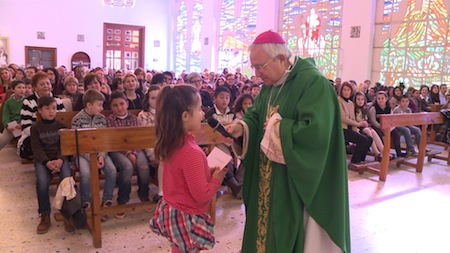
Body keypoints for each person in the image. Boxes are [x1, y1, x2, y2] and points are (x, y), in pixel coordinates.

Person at [225, 30, 350, 252]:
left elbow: (317, 134)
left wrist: (278, 128)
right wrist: (241, 128)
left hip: (293, 182)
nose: (256, 74)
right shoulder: (270, 85)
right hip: (268, 178)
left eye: (259, 67)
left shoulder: (313, 83)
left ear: (281, 58)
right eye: (253, 67)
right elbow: (256, 115)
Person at [150, 85, 227, 253]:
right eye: (199, 109)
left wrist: (206, 171)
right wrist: (217, 180)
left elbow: (182, 176)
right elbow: (201, 196)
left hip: (174, 210)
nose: (202, 113)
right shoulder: (190, 151)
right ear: (185, 116)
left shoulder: (172, 142)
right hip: (186, 215)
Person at [71, 90, 117, 221]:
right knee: (85, 173)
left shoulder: (102, 119)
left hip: (99, 152)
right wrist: (92, 158)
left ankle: (107, 200)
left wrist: (101, 156)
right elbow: (77, 144)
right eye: (99, 105)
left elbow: (104, 140)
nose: (102, 108)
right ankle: (86, 202)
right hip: (82, 154)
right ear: (89, 105)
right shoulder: (77, 119)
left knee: (112, 170)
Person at [31, 96, 73, 234]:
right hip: (43, 160)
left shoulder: (60, 126)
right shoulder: (35, 127)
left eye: (54, 108)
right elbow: (36, 149)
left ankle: (67, 214)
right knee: (42, 182)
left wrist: (60, 159)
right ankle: (44, 214)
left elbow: (65, 146)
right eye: (47, 108)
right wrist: (47, 163)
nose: (51, 111)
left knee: (66, 180)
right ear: (40, 110)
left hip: (60, 159)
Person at [107, 91, 149, 217]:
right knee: (127, 167)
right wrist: (128, 154)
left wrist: (134, 153)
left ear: (127, 104)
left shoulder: (133, 118)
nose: (119, 108)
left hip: (135, 148)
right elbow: (114, 141)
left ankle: (144, 194)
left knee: (143, 166)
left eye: (122, 104)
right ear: (111, 107)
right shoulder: (110, 120)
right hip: (117, 150)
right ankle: (123, 199)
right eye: (115, 105)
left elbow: (137, 138)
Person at [18, 71, 65, 160]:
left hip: (55, 134)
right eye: (42, 84)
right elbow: (26, 127)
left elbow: (63, 121)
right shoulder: (28, 102)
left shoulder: (57, 100)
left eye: (48, 83)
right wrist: (44, 133)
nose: (46, 86)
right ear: (35, 87)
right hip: (36, 135)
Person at [338, 82, 373, 167]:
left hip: (351, 128)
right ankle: (354, 162)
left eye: (348, 90)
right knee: (363, 140)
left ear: (351, 91)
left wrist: (356, 129)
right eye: (344, 90)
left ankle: (361, 160)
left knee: (369, 139)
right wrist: (357, 124)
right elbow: (343, 118)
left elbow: (353, 118)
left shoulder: (350, 103)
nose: (346, 92)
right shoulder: (339, 101)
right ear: (341, 91)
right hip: (342, 128)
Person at [137, 85, 162, 202]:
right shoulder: (143, 115)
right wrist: (153, 154)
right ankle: (151, 192)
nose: (156, 101)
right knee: (145, 165)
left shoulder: (167, 113)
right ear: (147, 100)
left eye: (159, 97)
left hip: (164, 145)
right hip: (147, 147)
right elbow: (144, 138)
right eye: (153, 98)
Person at [354, 91, 385, 161]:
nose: (360, 101)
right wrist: (360, 123)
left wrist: (367, 124)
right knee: (368, 130)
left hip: (365, 127)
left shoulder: (365, 109)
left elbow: (368, 121)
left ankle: (384, 151)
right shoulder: (353, 109)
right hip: (357, 128)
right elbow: (353, 121)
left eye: (362, 99)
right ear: (355, 100)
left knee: (373, 131)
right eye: (358, 99)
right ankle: (377, 153)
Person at [0, 80, 25, 151]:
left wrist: (21, 124)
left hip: (23, 124)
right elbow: (5, 115)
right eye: (19, 87)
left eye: (23, 88)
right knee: (3, 140)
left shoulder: (26, 100)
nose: (22, 90)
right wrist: (7, 125)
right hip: (12, 124)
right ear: (13, 89)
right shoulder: (9, 102)